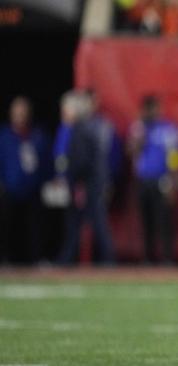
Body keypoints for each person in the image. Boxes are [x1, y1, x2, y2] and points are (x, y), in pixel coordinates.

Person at [56, 91, 115, 265]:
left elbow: (81, 161)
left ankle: (107, 259)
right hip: (91, 182)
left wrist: (72, 179)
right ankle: (68, 258)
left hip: (88, 183)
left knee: (89, 222)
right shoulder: (86, 128)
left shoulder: (80, 129)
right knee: (86, 222)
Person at [129, 95, 178, 264]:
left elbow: (174, 155)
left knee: (164, 220)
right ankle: (147, 258)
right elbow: (131, 151)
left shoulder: (167, 129)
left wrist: (172, 180)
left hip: (162, 180)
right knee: (146, 221)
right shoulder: (138, 128)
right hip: (143, 180)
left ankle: (167, 257)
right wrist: (139, 136)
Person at [0, 96, 49, 264]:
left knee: (36, 227)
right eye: (17, 112)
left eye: (23, 112)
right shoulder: (5, 136)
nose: (20, 116)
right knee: (7, 226)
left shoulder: (37, 134)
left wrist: (46, 180)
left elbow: (45, 161)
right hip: (9, 188)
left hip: (33, 188)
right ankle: (5, 259)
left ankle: (37, 259)